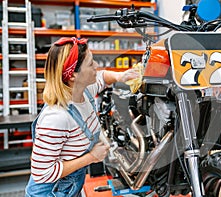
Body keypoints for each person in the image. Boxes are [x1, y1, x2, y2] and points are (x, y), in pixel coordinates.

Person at [25, 37, 139, 196]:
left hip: (70, 187)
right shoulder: (56, 118)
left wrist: (120, 76)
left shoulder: (85, 90)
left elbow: (103, 77)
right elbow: (42, 173)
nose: (97, 66)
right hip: (52, 192)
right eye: (91, 63)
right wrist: (91, 157)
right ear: (73, 75)